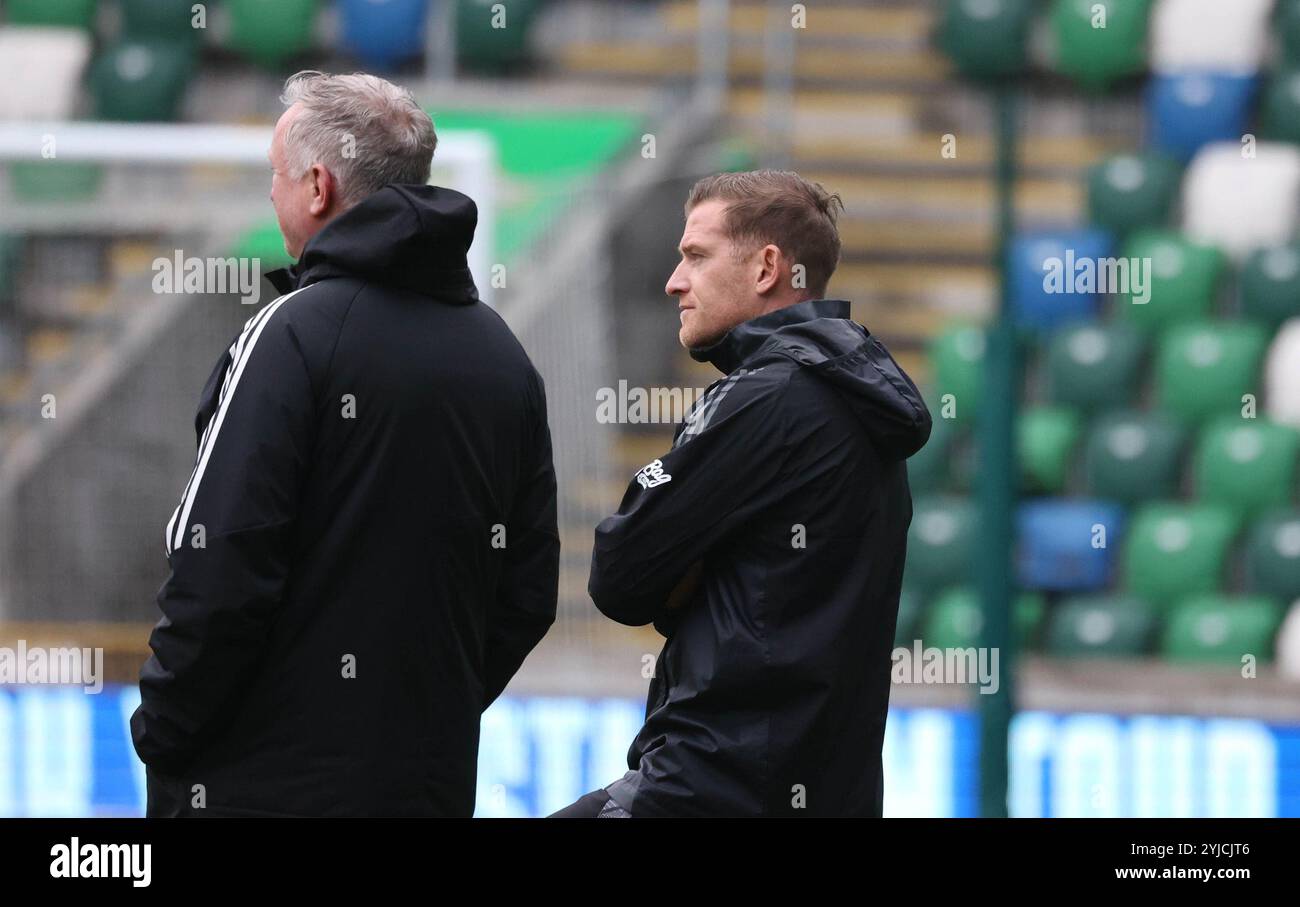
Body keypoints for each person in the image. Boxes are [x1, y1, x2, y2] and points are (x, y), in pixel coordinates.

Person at [131, 71, 559, 817]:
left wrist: (163, 730)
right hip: (426, 785)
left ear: (319, 187)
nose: (270, 193)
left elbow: (218, 561)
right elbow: (526, 594)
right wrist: (419, 718)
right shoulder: (504, 357)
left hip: (257, 790)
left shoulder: (289, 335)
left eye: (277, 175)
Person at [553, 170, 931, 817]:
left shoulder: (767, 399)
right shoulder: (858, 403)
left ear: (766, 269)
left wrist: (687, 575)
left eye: (696, 256)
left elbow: (618, 574)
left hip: (713, 786)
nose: (675, 280)